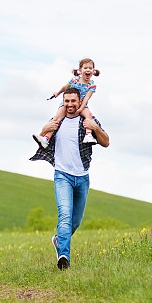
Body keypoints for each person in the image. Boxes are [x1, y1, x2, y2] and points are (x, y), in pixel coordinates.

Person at [30, 87, 109, 270]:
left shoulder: (87, 120)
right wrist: (44, 129)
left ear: (80, 101)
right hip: (62, 176)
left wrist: (95, 128)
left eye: (73, 101)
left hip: (82, 178)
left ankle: (59, 240)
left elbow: (106, 142)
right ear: (63, 102)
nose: (70, 105)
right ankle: (64, 256)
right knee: (64, 216)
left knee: (75, 222)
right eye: (67, 101)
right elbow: (42, 138)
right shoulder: (57, 120)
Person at [33, 58, 100, 149]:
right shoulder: (75, 80)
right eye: (85, 68)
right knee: (56, 119)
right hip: (69, 102)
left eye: (90, 68)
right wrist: (58, 92)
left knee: (89, 116)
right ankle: (46, 139)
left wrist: (81, 108)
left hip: (82, 104)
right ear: (80, 71)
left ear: (93, 71)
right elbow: (65, 87)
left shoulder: (92, 85)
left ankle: (88, 135)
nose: (88, 70)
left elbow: (87, 98)